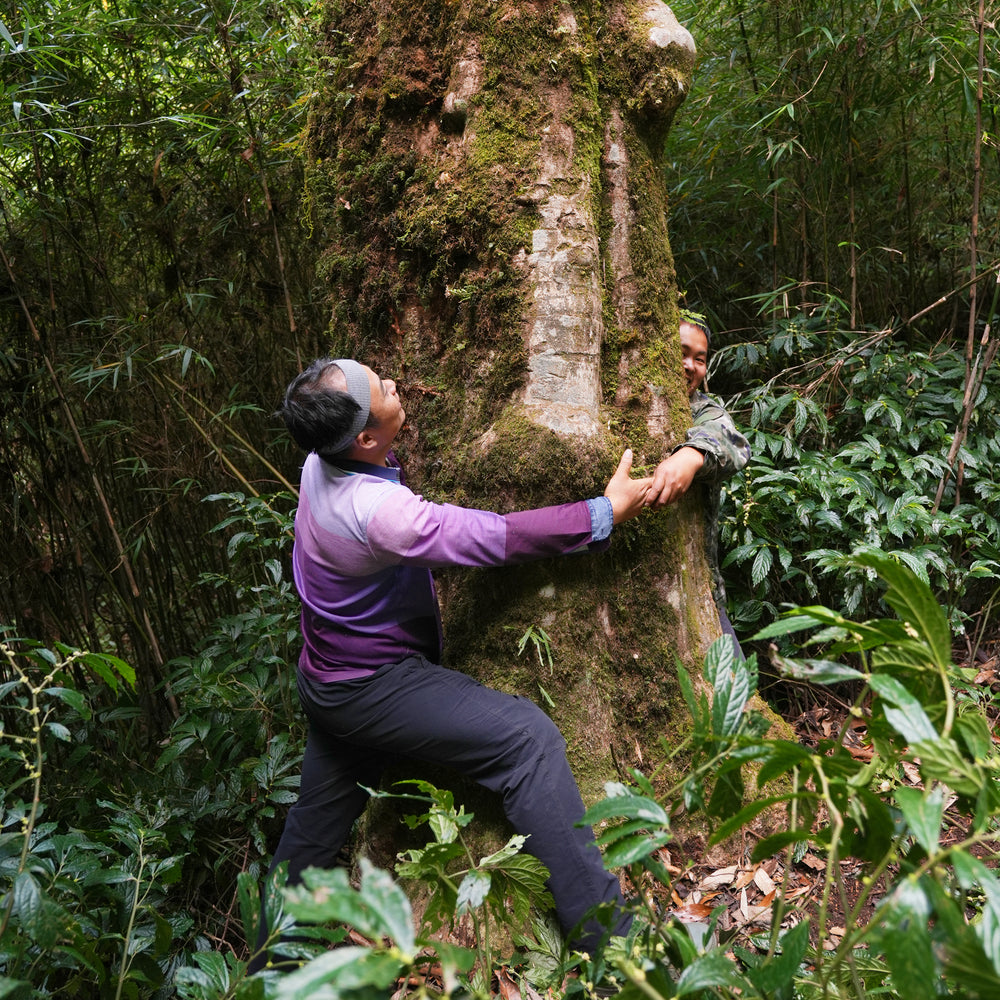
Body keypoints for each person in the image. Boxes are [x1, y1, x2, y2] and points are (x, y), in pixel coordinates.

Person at [250, 357, 652, 972]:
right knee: (528, 740)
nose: (392, 382)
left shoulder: (317, 460)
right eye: (380, 388)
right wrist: (602, 514)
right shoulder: (380, 514)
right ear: (363, 438)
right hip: (370, 687)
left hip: (326, 678)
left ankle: (262, 976)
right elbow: (491, 537)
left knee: (308, 838)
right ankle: (619, 957)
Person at [646, 312, 751, 658]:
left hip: (698, 590)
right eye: (682, 352)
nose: (690, 365)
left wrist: (691, 456)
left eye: (700, 359)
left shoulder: (705, 410)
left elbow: (732, 443)